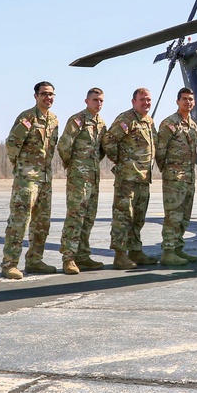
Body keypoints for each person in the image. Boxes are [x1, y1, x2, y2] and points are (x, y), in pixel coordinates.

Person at [1, 81, 59, 280]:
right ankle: (9, 264)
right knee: (19, 221)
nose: (48, 98)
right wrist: (21, 167)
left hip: (45, 179)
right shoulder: (27, 117)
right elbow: (12, 144)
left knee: (42, 222)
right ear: (35, 96)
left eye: (51, 94)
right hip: (27, 179)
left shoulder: (54, 120)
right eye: (44, 94)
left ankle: (35, 260)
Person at [102, 87, 157, 270]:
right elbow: (109, 140)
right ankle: (119, 255)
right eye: (142, 100)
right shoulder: (126, 119)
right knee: (123, 217)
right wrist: (121, 161)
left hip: (143, 178)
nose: (146, 103)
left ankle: (135, 251)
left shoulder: (148, 121)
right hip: (127, 178)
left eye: (148, 100)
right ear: (134, 101)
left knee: (138, 218)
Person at [57, 87, 107, 275]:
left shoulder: (101, 123)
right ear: (86, 101)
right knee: (75, 217)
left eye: (101, 100)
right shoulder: (78, 120)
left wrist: (91, 165)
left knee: (89, 217)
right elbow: (64, 145)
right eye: (95, 100)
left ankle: (83, 255)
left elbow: (102, 149)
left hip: (93, 177)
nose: (98, 103)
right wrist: (74, 166)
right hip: (78, 177)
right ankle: (68, 258)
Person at [155, 87, 197, 266]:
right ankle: (168, 251)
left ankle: (178, 248)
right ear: (177, 102)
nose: (187, 102)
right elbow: (160, 151)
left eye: (190, 99)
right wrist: (168, 171)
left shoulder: (193, 125)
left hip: (189, 177)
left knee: (185, 215)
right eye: (184, 99)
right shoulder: (169, 123)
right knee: (173, 215)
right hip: (174, 178)